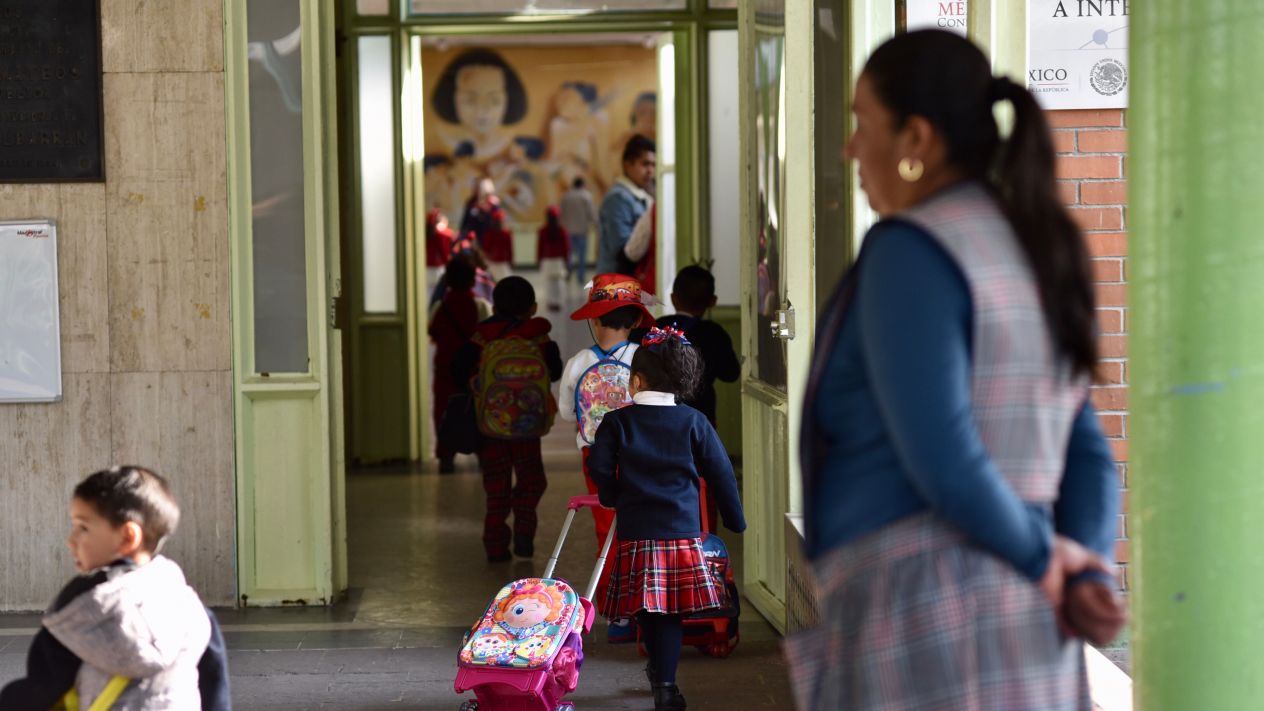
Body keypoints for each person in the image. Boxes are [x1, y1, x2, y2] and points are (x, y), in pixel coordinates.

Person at [785, 30, 1126, 710]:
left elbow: (943, 452)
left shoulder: (909, 253)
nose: (851, 147)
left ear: (916, 138)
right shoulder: (1038, 244)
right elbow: (1085, 447)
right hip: (1032, 621)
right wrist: (1078, 566)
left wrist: (1044, 561)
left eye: (862, 122)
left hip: (923, 611)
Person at [587, 326, 746, 711]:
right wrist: (734, 519)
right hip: (681, 533)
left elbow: (600, 467)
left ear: (636, 380)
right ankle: (666, 687)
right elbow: (721, 472)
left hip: (638, 531)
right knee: (671, 613)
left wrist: (611, 497)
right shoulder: (694, 422)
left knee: (647, 607)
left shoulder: (617, 423)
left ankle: (658, 672)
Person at [0, 467, 221, 710]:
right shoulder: (187, 603)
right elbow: (214, 686)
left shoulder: (82, 606)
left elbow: (40, 690)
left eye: (82, 527)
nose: (71, 540)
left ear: (127, 537)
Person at [558, 273, 654, 633]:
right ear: (636, 320)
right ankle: (648, 603)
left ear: (593, 319)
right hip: (641, 454)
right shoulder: (644, 359)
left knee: (607, 529)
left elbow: (568, 413)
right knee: (643, 527)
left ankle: (616, 614)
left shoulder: (578, 363)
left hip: (596, 458)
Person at [453, 277, 563, 562]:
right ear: (533, 308)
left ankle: (495, 545)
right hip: (528, 428)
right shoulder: (539, 337)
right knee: (532, 481)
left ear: (494, 306)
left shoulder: (482, 337)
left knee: (496, 486)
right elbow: (555, 371)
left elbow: (458, 369)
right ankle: (524, 531)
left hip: (492, 428)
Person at [655, 265, 740, 427]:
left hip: (659, 413)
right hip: (701, 415)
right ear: (713, 301)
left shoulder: (656, 327)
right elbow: (731, 374)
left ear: (673, 298)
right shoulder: (714, 333)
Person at [429, 258, 492, 473]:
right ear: (473, 280)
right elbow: (489, 336)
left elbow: (433, 333)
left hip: (446, 369)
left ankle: (446, 456)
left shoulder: (441, 307)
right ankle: (482, 453)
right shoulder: (480, 305)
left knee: (444, 411)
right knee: (477, 411)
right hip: (474, 370)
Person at [431, 48, 528, 161]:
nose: (482, 110)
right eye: (470, 100)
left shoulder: (511, 143)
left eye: (494, 100)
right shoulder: (444, 139)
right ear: (452, 99)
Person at [597, 135, 655, 274]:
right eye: (645, 164)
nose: (650, 171)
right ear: (628, 165)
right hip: (616, 285)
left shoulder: (643, 195)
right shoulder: (618, 199)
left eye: (654, 165)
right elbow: (623, 251)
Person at [559, 177, 599, 285]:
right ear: (582, 185)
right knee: (582, 255)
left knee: (569, 254)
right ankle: (580, 276)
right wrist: (596, 224)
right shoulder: (586, 196)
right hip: (582, 230)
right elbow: (591, 213)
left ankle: (568, 272)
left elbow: (561, 213)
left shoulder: (566, 196)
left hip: (568, 231)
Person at [537, 206, 571, 313]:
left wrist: (539, 259)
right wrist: (566, 260)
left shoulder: (543, 231)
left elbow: (540, 247)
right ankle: (558, 302)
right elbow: (566, 248)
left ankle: (551, 302)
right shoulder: (562, 230)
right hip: (558, 261)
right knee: (559, 283)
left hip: (547, 260)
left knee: (549, 283)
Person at [425, 207, 455, 289]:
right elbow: (444, 252)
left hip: (427, 267)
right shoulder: (441, 235)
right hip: (438, 267)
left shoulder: (426, 234)